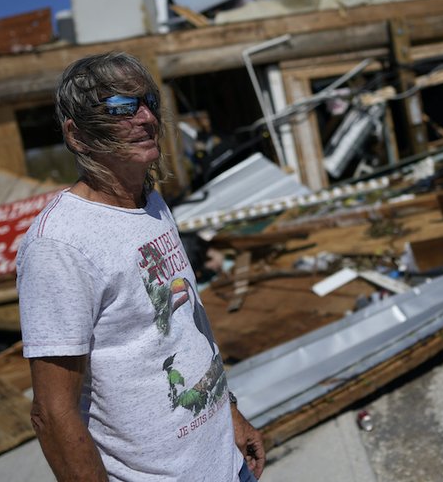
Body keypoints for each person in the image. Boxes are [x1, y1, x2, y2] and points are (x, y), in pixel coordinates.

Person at [17, 51, 265, 481]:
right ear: (77, 136)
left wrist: (231, 414)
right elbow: (52, 416)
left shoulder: (149, 202)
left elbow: (189, 329)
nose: (147, 117)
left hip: (225, 464)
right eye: (120, 108)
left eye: (149, 101)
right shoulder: (59, 245)